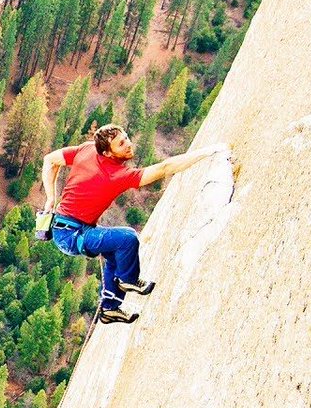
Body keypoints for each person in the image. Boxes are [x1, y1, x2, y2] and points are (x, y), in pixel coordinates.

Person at [41, 123, 224, 324]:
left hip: (70, 227)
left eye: (126, 137)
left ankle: (109, 309)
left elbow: (50, 160)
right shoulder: (117, 175)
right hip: (70, 235)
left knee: (115, 255)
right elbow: (165, 168)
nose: (128, 144)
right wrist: (208, 152)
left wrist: (51, 198)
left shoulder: (87, 149)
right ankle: (127, 280)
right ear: (107, 153)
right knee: (127, 239)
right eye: (121, 144)